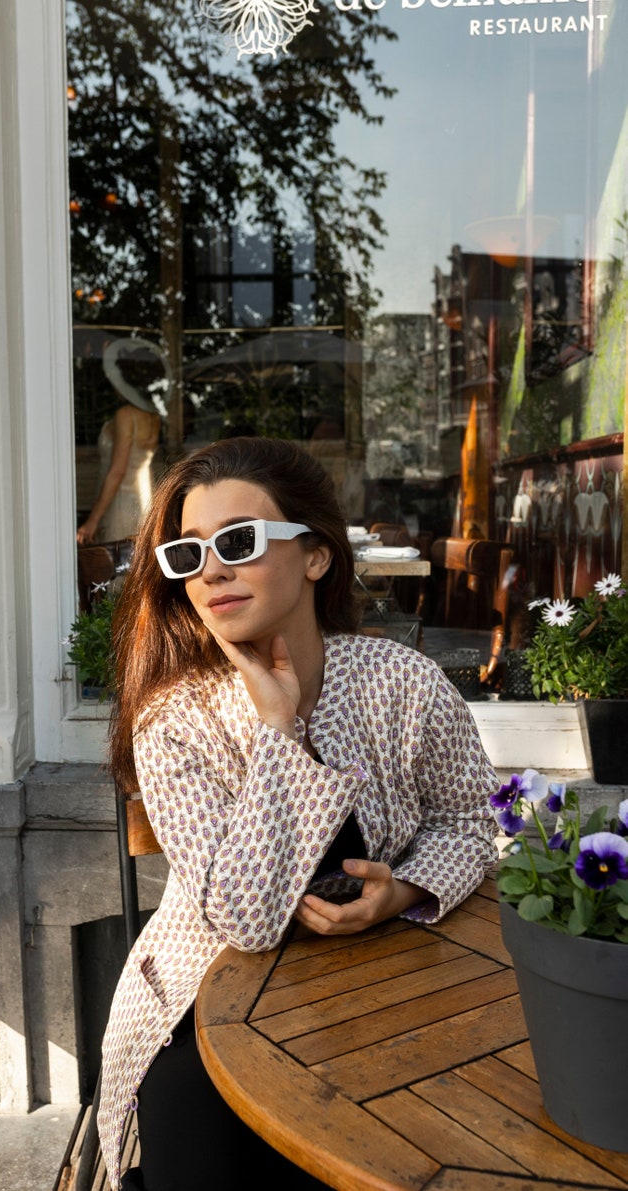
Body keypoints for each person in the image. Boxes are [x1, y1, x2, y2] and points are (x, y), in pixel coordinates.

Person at [98, 437, 499, 1191]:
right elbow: (244, 918)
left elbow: (470, 821)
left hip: (390, 981)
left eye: (239, 542)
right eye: (188, 555)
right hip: (206, 1005)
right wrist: (277, 729)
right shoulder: (175, 720)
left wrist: (403, 890)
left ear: (315, 555)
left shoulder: (399, 684)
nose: (211, 570)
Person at [76, 339, 166, 558]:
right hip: (145, 498)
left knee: (118, 570)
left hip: (122, 503)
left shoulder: (126, 415)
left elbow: (118, 471)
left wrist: (92, 521)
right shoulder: (152, 415)